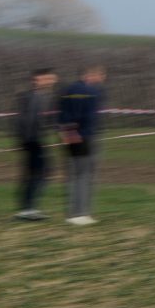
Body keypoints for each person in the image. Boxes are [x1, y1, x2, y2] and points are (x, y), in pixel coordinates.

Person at [58, 64, 106, 225]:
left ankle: (74, 213)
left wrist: (66, 133)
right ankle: (81, 213)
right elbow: (84, 115)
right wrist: (81, 133)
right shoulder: (88, 91)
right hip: (84, 136)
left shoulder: (69, 89)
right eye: (100, 75)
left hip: (71, 135)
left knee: (75, 174)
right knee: (84, 175)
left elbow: (63, 114)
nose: (101, 79)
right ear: (90, 75)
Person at [12, 67, 57, 220]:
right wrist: (26, 141)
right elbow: (25, 120)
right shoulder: (31, 97)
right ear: (37, 80)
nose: (51, 81)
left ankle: (29, 208)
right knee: (39, 173)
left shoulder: (44, 96)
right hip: (32, 141)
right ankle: (27, 209)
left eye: (52, 78)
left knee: (38, 174)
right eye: (48, 78)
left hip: (36, 140)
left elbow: (46, 119)